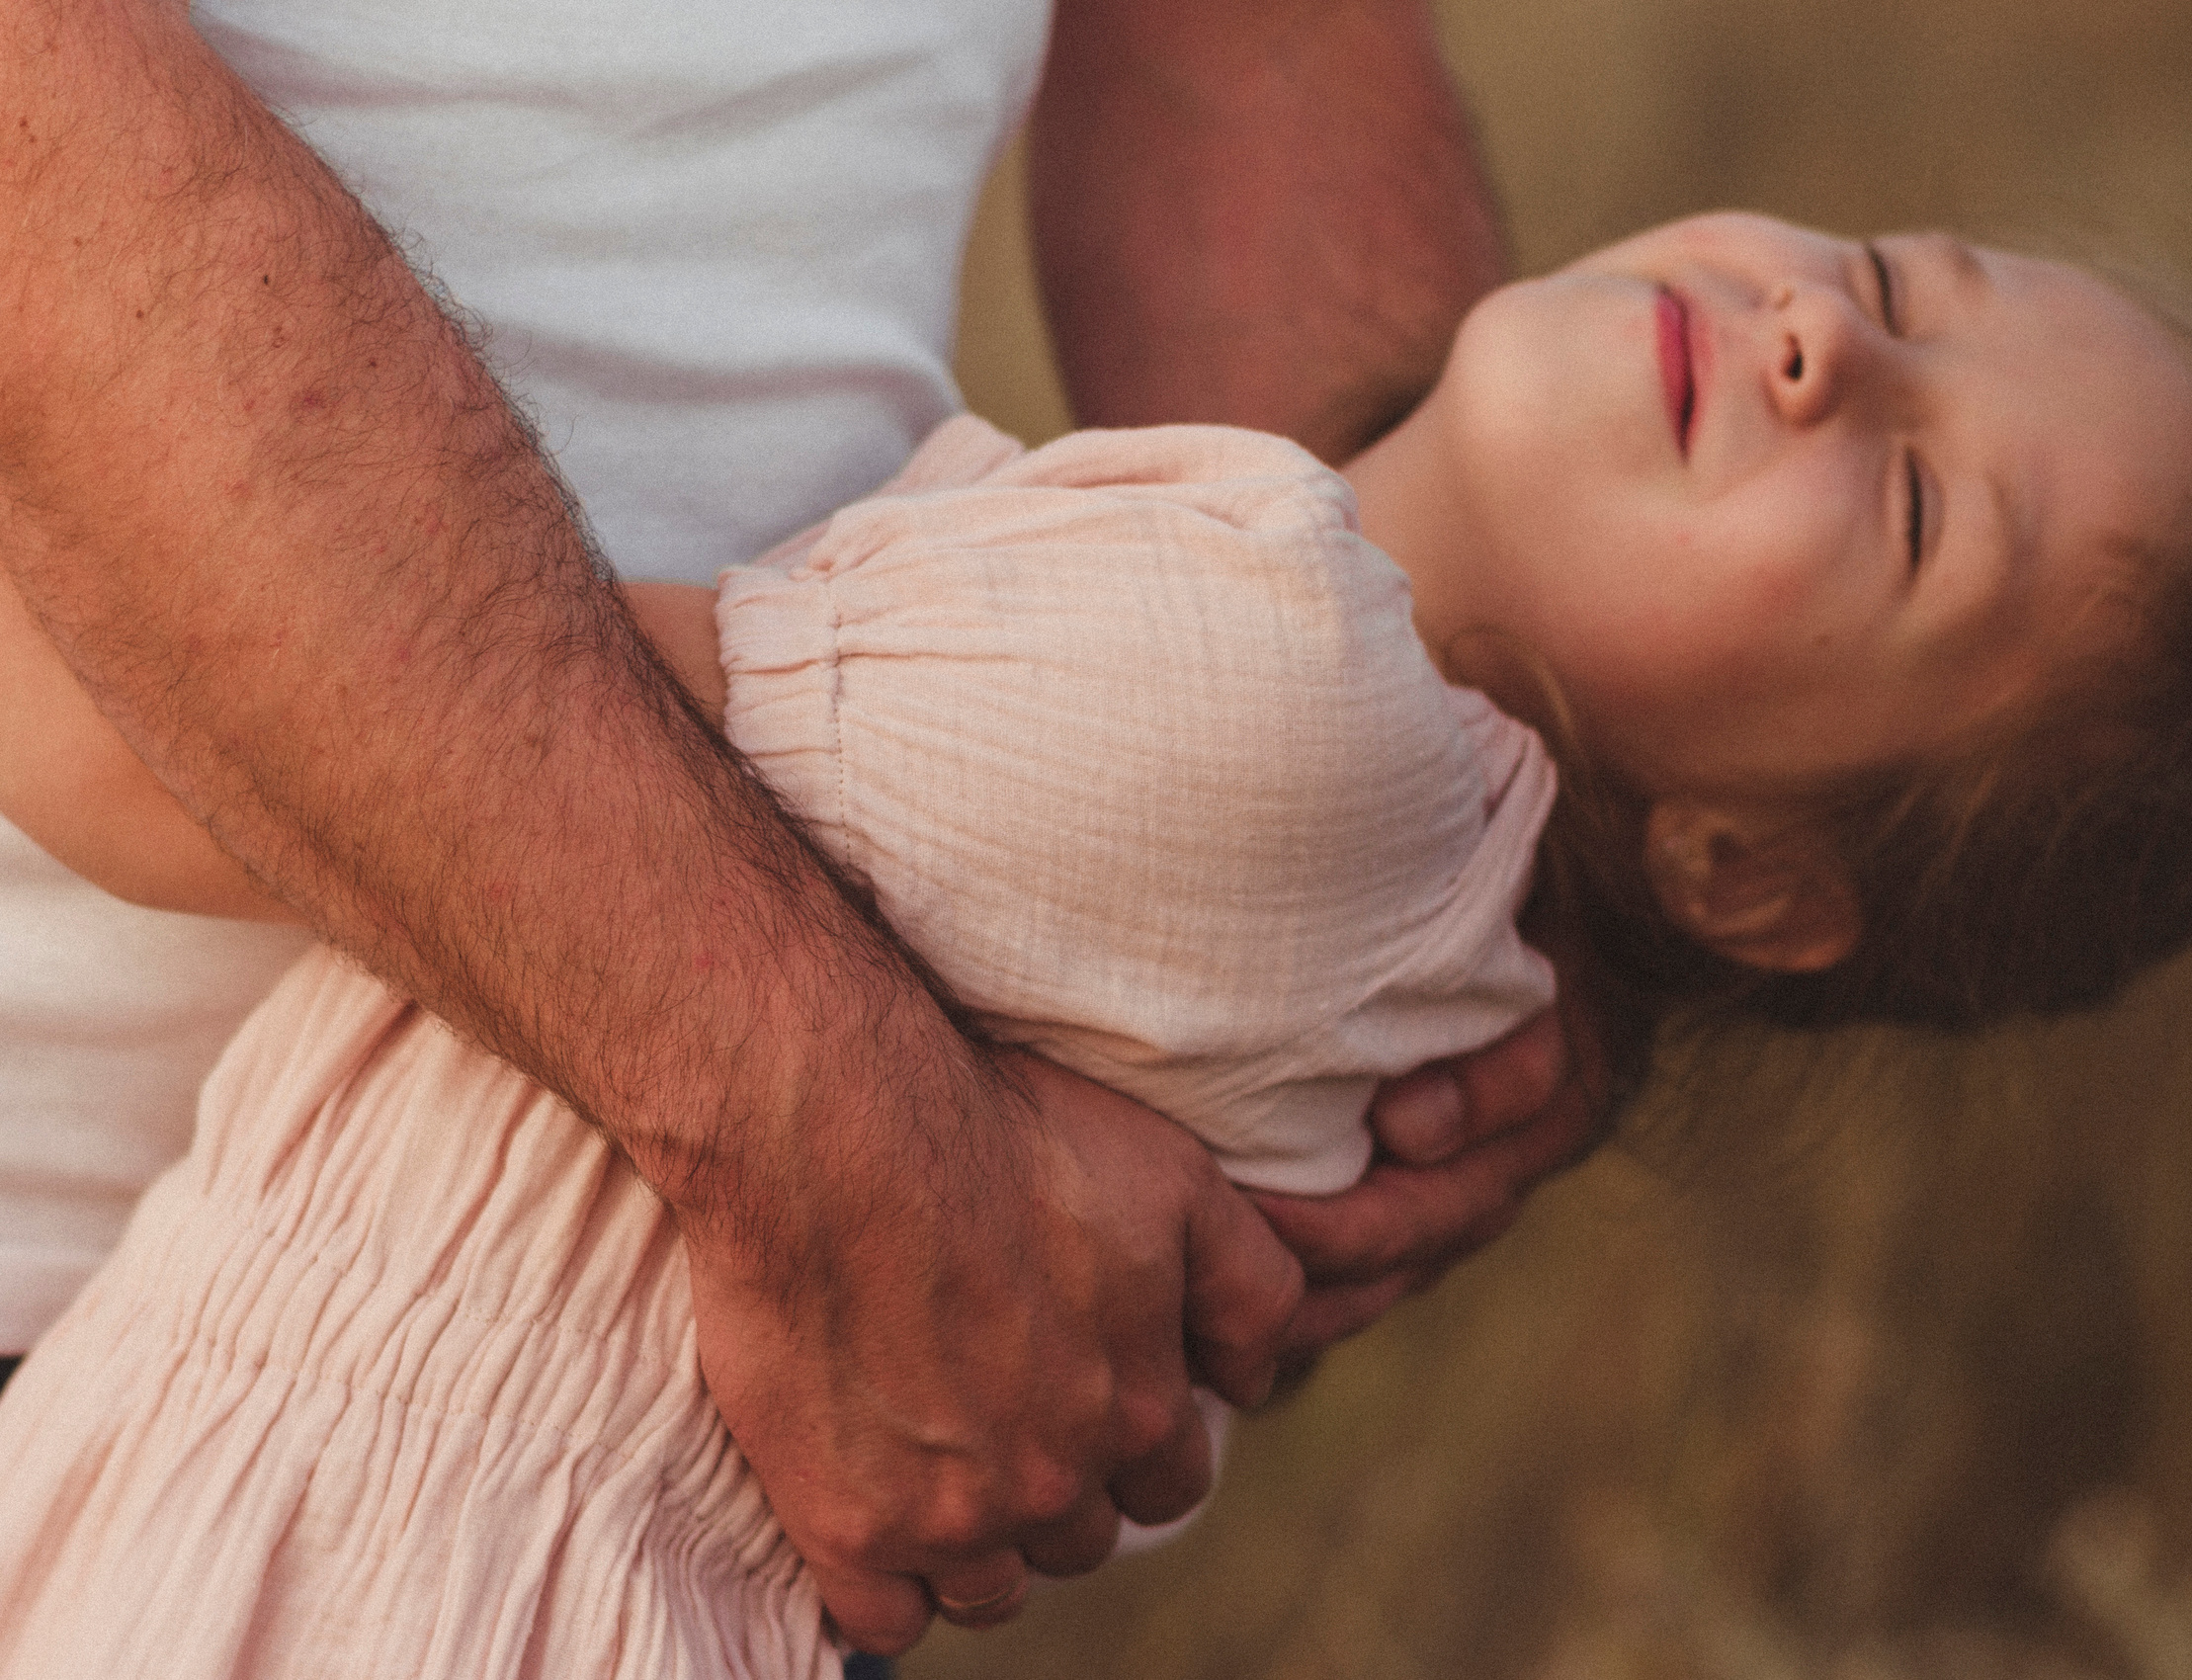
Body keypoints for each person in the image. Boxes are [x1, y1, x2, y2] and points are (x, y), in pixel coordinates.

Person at [0, 210, 2192, 1678]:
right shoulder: (1426, 907)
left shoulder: (1243, 688)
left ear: (1741, 880)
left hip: (327, 1577)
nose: (1824, 339)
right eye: (1899, 265)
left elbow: (139, 756)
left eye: (1919, 510)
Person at [0, 0, 1601, 1654]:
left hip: (686, 1437)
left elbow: (1250, 51)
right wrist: (811, 1113)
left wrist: (1438, 933)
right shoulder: (836, 1144)